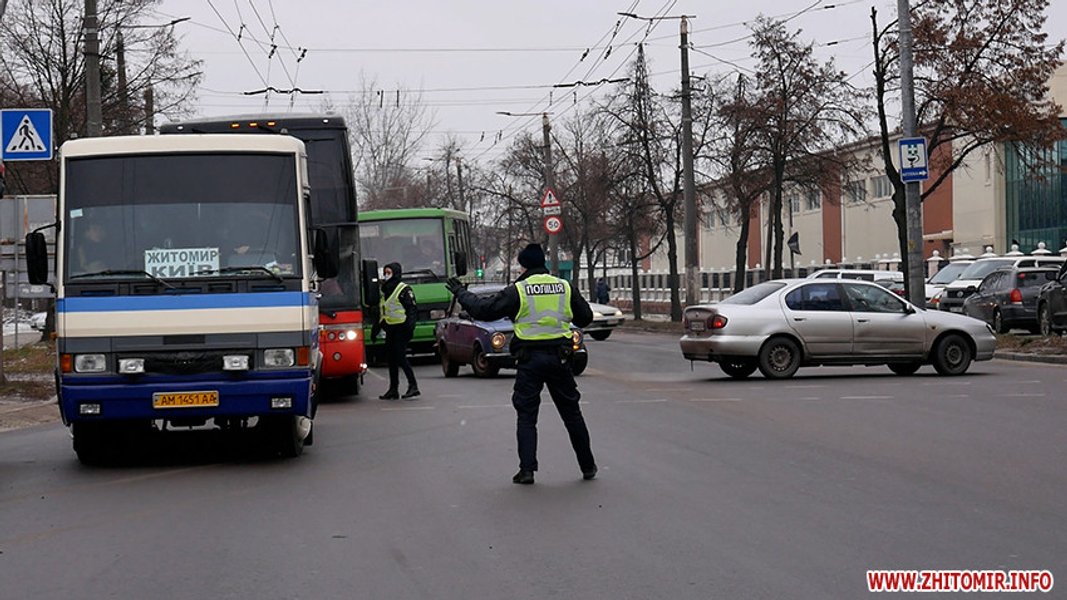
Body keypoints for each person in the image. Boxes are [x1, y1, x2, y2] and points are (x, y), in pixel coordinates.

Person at [445, 243, 596, 485]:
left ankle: (527, 470)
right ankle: (588, 466)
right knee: (572, 414)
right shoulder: (564, 287)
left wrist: (461, 293)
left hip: (530, 360)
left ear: (524, 265)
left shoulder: (520, 290)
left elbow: (485, 310)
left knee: (527, 416)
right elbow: (585, 317)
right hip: (560, 357)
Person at [371, 262, 420, 400]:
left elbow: (412, 310)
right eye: (385, 273)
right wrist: (376, 330)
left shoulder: (403, 289)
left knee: (400, 356)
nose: (386, 275)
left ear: (396, 273)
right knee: (392, 359)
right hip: (390, 328)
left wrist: (410, 327)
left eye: (389, 273)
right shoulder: (385, 290)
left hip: (402, 328)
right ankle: (393, 389)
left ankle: (413, 386)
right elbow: (383, 312)